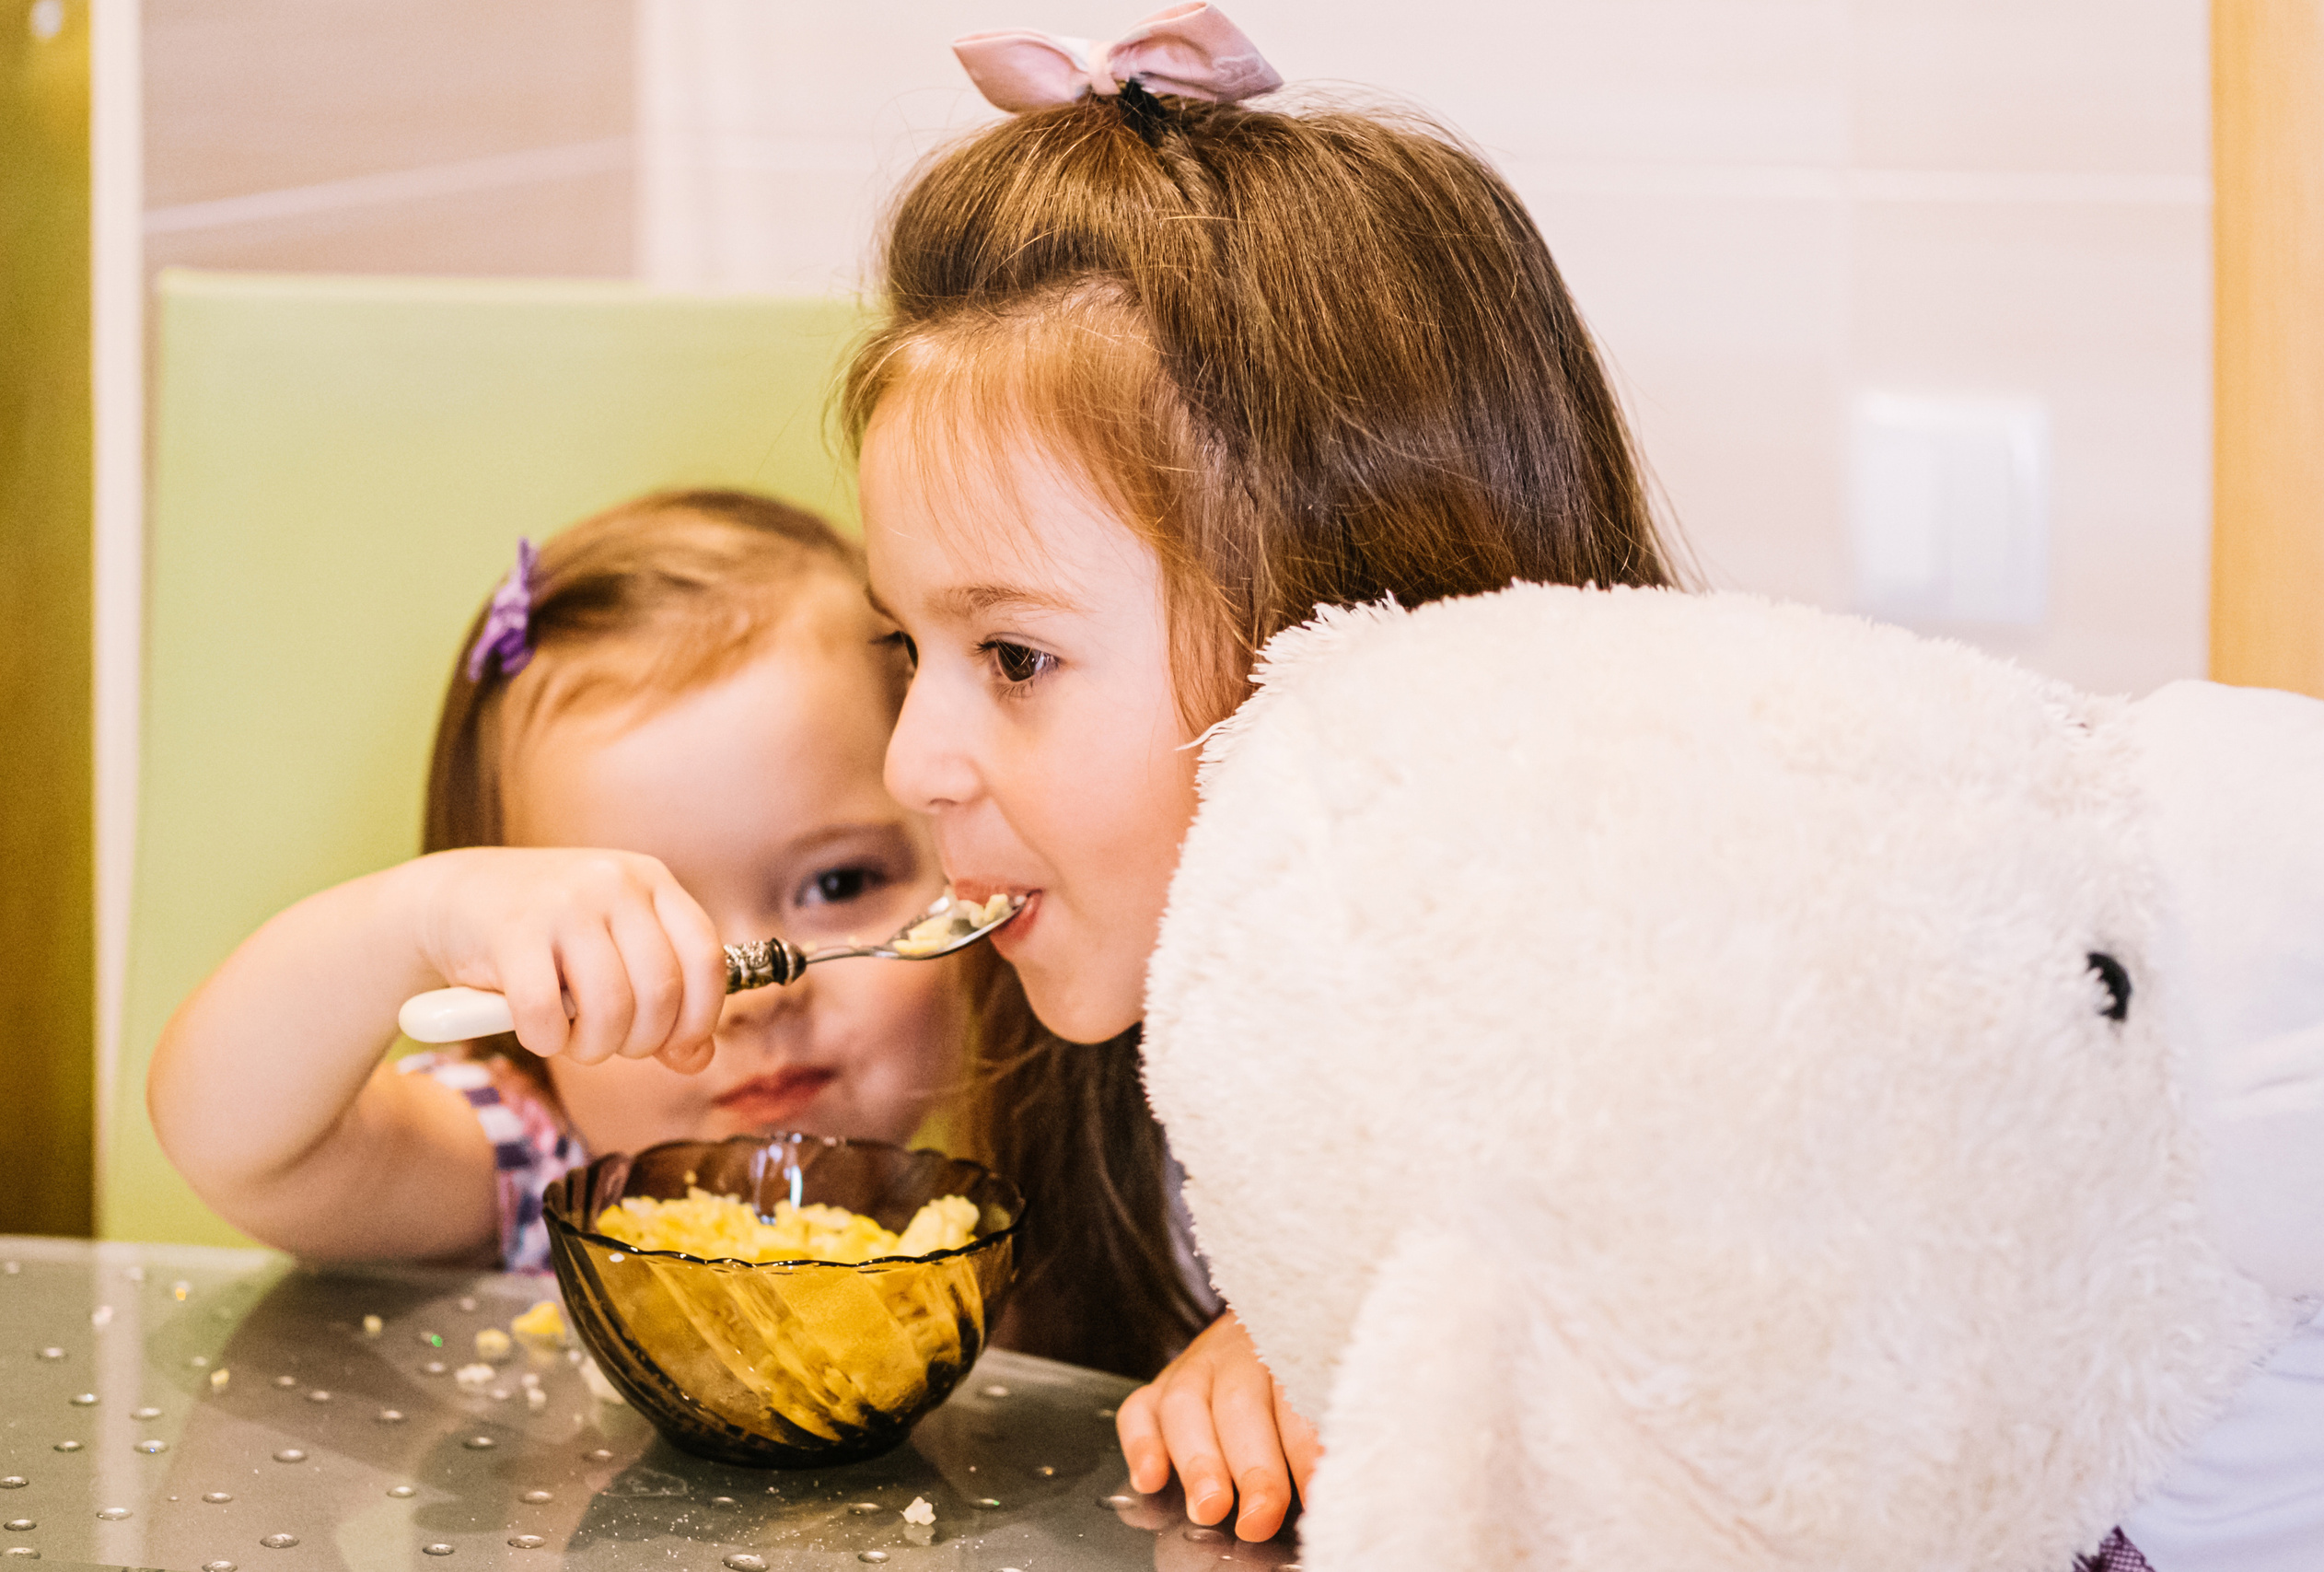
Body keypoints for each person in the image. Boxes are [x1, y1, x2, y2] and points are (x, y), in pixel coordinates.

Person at [845, 5, 1676, 1542]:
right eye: (908, 648)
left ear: (1344, 628)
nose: (912, 762)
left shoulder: (1667, 1091)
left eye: (1014, 659)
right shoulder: (1100, 1045)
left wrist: (1362, 1327)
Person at [149, 489, 970, 1273]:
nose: (751, 997)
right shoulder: (528, 1171)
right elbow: (224, 1136)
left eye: (837, 884)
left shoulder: (1019, 1144)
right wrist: (425, 916)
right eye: (633, 933)